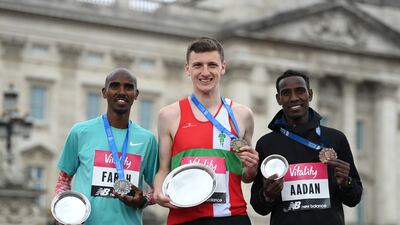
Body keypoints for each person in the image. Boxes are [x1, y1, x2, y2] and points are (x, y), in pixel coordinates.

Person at [153, 37, 259, 225]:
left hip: (231, 216)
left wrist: (251, 167)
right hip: (184, 217)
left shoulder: (243, 115)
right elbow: (163, 170)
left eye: (212, 65)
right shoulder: (169, 115)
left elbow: (246, 176)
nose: (205, 72)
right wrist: (159, 193)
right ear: (187, 69)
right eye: (197, 65)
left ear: (223, 68)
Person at [250, 69, 363, 225]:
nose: (294, 98)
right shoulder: (266, 144)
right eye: (286, 93)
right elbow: (258, 206)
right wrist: (268, 195)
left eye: (300, 91)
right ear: (278, 99)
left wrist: (346, 183)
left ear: (310, 94)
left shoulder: (336, 139)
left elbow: (354, 198)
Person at [54, 68, 158, 225]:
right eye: (115, 86)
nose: (121, 92)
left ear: (136, 94)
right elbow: (63, 181)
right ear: (104, 92)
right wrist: (64, 213)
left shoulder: (147, 139)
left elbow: (158, 191)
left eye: (128, 87)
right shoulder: (80, 132)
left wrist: (142, 200)